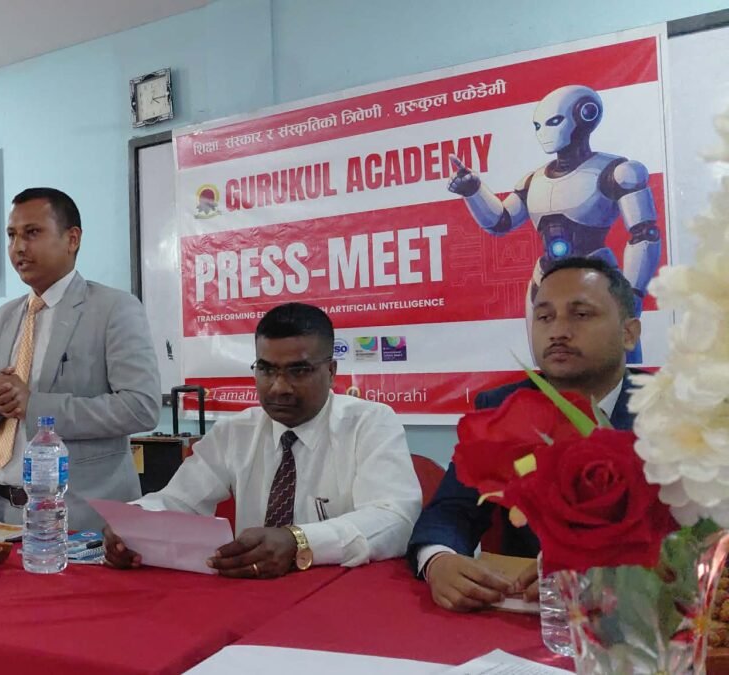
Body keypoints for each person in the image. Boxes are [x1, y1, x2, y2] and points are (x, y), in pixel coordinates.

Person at [104, 303, 422, 578]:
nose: (279, 387)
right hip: (252, 593)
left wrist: (298, 541)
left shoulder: (370, 423)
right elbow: (178, 501)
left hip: (341, 597)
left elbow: (395, 520)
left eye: (299, 371)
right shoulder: (236, 431)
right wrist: (132, 524)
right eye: (267, 370)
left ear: (331, 370)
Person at [408, 257, 642, 612]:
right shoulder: (502, 408)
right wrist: (438, 560)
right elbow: (453, 510)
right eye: (544, 317)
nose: (558, 331)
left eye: (580, 314)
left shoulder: (678, 412)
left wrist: (614, 574)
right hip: (534, 614)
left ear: (629, 333)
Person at [0, 187, 160, 531]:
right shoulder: (2, 319)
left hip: (80, 518)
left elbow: (141, 407)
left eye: (32, 233)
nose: (18, 247)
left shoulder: (113, 309)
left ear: (72, 239)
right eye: (12, 235)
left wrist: (35, 406)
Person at [447, 84, 660, 363]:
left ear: (585, 114)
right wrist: (473, 191)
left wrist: (632, 293)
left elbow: (644, 235)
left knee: (614, 364)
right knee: (547, 366)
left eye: (553, 122)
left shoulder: (618, 171)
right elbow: (500, 221)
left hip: (596, 277)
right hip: (543, 280)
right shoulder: (532, 180)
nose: (543, 133)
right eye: (538, 126)